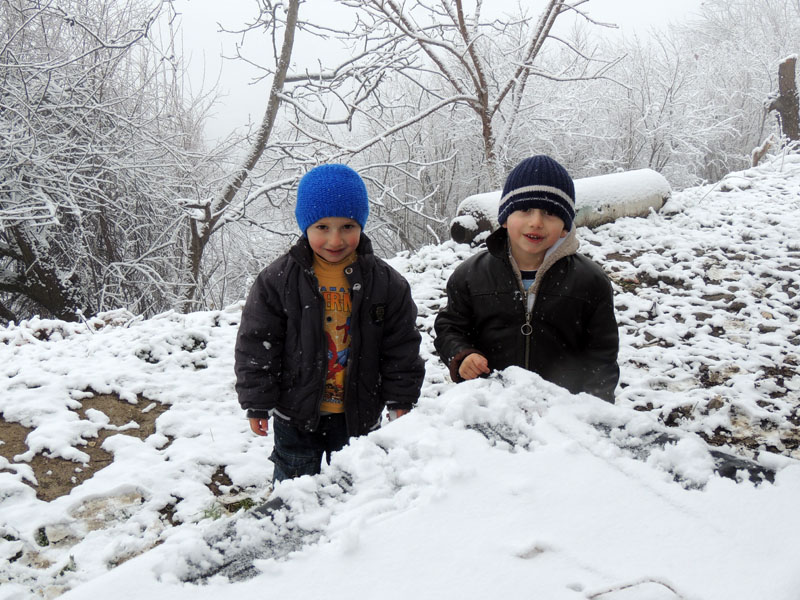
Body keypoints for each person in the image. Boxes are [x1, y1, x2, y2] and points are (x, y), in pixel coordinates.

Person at [235, 164, 425, 482]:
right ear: (305, 225)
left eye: (347, 226)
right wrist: (257, 402)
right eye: (322, 227)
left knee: (356, 495)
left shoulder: (386, 283)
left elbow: (400, 345)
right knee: (294, 494)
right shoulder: (278, 280)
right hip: (295, 415)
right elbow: (258, 342)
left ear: (361, 225)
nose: (335, 240)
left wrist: (401, 398)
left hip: (359, 416)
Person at [433, 155, 619, 402]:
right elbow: (450, 327)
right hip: (493, 406)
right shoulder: (471, 275)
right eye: (525, 210)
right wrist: (462, 355)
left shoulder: (589, 281)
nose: (536, 222)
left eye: (550, 213)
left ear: (565, 226)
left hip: (563, 409)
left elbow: (602, 355)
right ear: (505, 217)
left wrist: (596, 406)